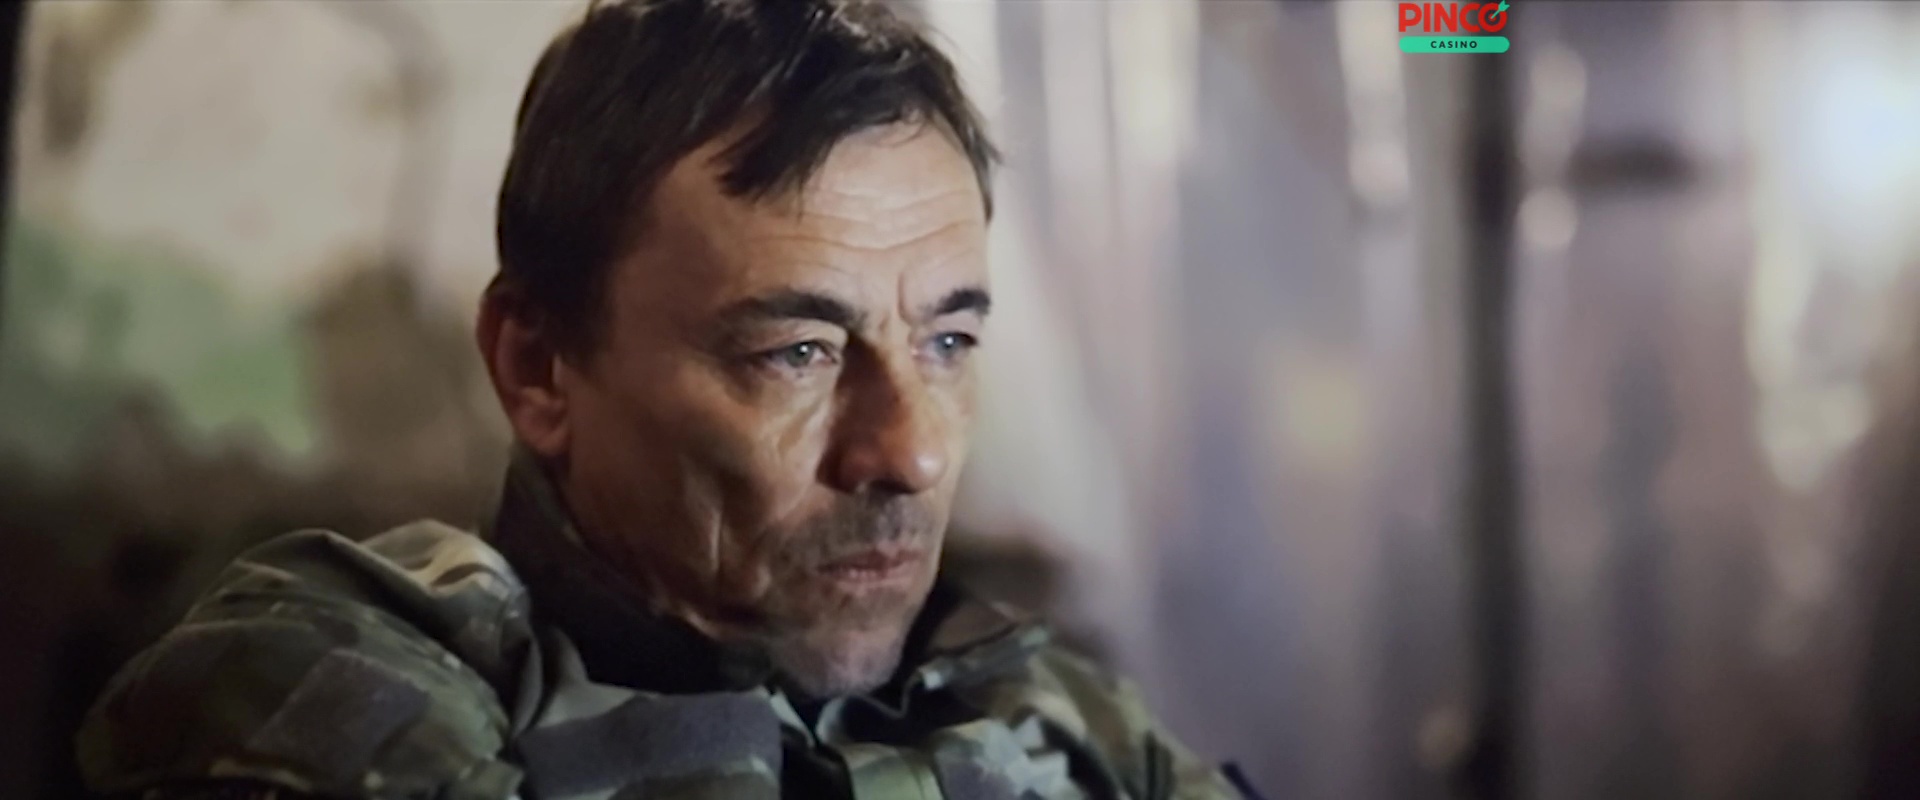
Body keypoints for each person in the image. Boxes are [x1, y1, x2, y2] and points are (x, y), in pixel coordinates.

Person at [75, 1, 1251, 797]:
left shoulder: (1046, 697)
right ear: (539, 368)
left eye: (947, 340)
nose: (912, 452)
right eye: (799, 352)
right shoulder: (332, 677)